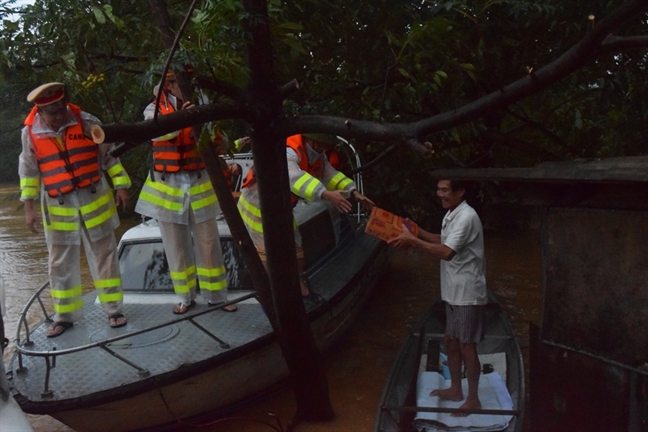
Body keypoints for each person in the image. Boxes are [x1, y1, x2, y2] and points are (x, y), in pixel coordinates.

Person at [18, 82, 132, 337]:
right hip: (58, 206)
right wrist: (29, 207)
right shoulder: (30, 133)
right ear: (40, 111)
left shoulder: (88, 122)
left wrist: (121, 185)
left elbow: (110, 155)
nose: (59, 116)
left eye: (61, 109)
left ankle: (114, 310)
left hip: (95, 199)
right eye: (52, 112)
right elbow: (28, 172)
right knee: (59, 263)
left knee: (105, 256)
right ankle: (65, 317)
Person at [135, 71, 236, 314]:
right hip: (167, 187)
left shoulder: (203, 105)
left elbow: (216, 138)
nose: (181, 87)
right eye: (176, 83)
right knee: (175, 245)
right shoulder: (153, 109)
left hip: (200, 183)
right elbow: (162, 132)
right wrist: (186, 116)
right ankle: (185, 297)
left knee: (209, 243)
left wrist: (209, 128)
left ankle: (217, 297)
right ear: (168, 85)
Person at [237, 133, 374, 305]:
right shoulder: (287, 151)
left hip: (280, 207)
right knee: (267, 250)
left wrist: (353, 192)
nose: (323, 148)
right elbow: (294, 177)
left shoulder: (317, 155)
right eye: (320, 144)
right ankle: (274, 295)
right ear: (309, 139)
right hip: (256, 205)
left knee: (296, 245)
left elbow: (330, 175)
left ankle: (300, 287)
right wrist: (325, 194)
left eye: (326, 145)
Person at [389, 179, 487, 416]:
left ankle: (473, 399)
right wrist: (416, 230)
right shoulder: (452, 214)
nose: (439, 194)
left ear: (460, 191)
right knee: (451, 341)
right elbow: (442, 240)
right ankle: (455, 389)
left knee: (466, 345)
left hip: (467, 293)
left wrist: (413, 240)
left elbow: (446, 252)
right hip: (452, 291)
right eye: (438, 190)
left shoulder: (466, 217)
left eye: (445, 190)